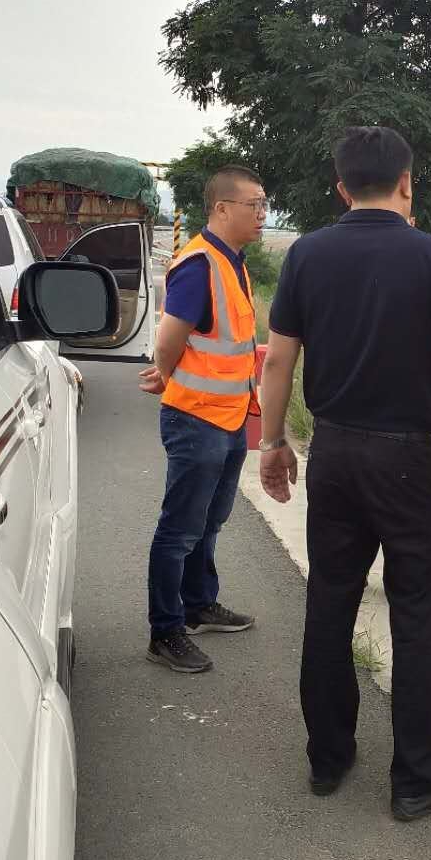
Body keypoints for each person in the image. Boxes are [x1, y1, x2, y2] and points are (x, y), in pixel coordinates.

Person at [256, 126, 431, 821]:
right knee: (417, 611)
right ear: (406, 182)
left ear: (341, 187)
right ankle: (415, 778)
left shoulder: (306, 253)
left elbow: (278, 359)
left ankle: (328, 758)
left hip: (333, 453)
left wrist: (273, 442)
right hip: (408, 459)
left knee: (330, 600)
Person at [136, 166, 267, 674]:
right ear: (222, 208)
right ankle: (165, 630)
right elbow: (169, 337)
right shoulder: (199, 264)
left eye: (264, 205)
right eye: (254, 205)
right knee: (180, 530)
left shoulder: (233, 262)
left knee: (209, 521)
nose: (262, 214)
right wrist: (165, 374)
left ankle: (198, 604)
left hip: (229, 419)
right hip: (196, 420)